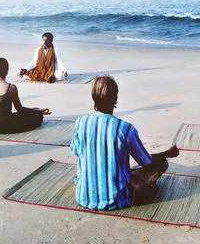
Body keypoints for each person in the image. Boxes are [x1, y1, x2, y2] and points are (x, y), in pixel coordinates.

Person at [70, 75, 179, 211]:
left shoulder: (80, 123)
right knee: (161, 164)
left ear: (94, 97)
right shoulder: (125, 128)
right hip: (118, 200)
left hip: (83, 197)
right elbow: (146, 161)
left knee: (122, 167)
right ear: (115, 98)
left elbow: (76, 152)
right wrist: (165, 154)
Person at [0, 58, 52, 134]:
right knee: (38, 116)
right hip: (5, 125)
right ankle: (38, 111)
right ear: (7, 71)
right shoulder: (11, 88)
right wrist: (39, 111)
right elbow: (20, 109)